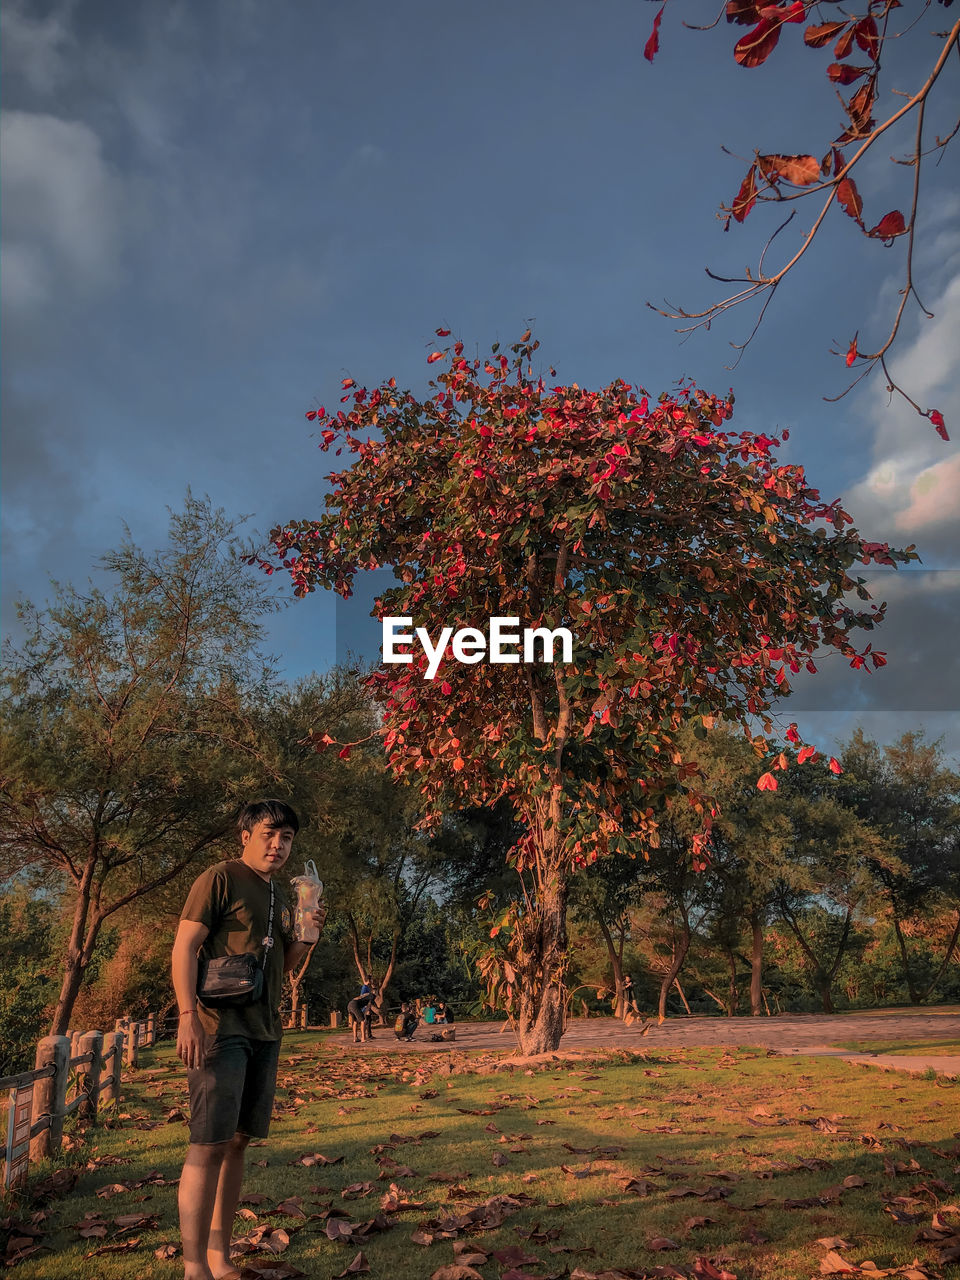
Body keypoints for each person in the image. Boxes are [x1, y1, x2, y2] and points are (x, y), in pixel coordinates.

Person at [171, 799, 325, 1280]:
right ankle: (195, 1266)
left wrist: (307, 934)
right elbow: (185, 946)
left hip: (263, 1028)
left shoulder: (277, 893)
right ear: (246, 835)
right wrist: (186, 1014)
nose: (277, 845)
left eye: (286, 839)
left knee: (237, 1142)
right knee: (208, 1142)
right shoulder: (220, 878)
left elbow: (283, 965)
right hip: (219, 1028)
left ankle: (221, 1257)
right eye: (268, 835)